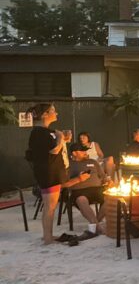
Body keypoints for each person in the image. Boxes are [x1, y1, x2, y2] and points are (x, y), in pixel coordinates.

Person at [24, 103, 92, 245]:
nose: (57, 113)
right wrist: (61, 138)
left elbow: (55, 148)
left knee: (51, 206)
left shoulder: (47, 131)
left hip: (53, 172)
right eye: (53, 111)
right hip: (48, 173)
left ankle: (48, 235)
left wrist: (64, 139)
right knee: (50, 207)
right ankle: (48, 238)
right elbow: (53, 151)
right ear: (45, 114)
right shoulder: (38, 132)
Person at [68, 142, 111, 237]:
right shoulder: (69, 165)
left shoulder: (92, 161)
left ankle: (95, 223)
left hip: (97, 189)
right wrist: (78, 178)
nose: (85, 152)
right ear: (74, 153)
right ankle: (98, 227)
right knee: (81, 199)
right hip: (79, 191)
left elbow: (103, 176)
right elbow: (65, 183)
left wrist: (108, 180)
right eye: (82, 151)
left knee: (110, 198)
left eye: (85, 150)